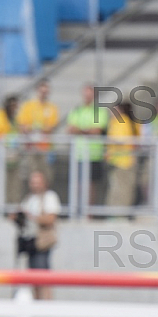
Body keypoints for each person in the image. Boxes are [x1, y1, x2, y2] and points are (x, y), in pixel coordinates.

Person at [13, 171, 61, 303]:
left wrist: (32, 217)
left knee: (43, 278)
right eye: (33, 182)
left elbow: (51, 218)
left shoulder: (49, 197)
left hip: (42, 243)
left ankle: (46, 308)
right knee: (33, 278)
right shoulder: (29, 198)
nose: (34, 185)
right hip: (30, 242)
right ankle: (37, 306)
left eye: (37, 182)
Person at [67, 84, 110, 213]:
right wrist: (87, 130)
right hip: (79, 153)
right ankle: (77, 210)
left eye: (90, 94)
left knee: (91, 185)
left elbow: (97, 130)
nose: (87, 96)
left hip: (93, 154)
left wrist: (80, 130)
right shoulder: (77, 110)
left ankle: (88, 213)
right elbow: (71, 129)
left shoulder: (100, 111)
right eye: (85, 93)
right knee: (78, 183)